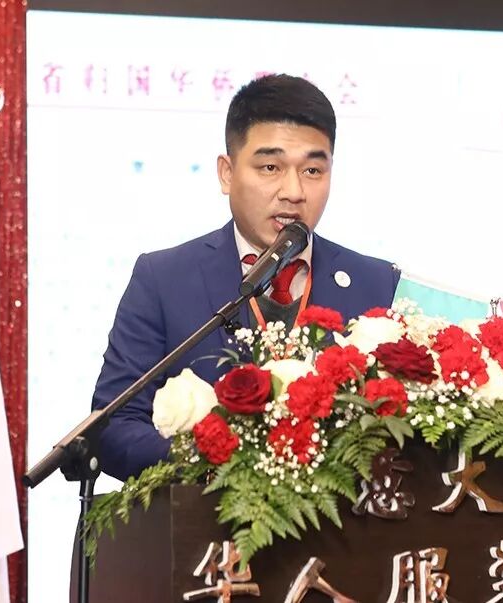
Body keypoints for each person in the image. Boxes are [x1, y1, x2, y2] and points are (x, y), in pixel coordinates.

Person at [92, 74, 399, 480]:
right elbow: (114, 426)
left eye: (313, 170)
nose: (293, 191)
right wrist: (217, 462)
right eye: (270, 167)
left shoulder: (378, 284)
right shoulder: (163, 279)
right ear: (226, 173)